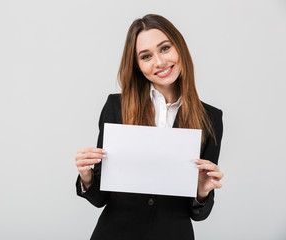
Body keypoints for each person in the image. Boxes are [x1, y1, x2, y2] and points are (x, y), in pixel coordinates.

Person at [75, 14, 224, 240]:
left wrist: (202, 192)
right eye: (146, 56)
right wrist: (87, 177)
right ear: (137, 66)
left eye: (165, 48)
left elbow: (199, 214)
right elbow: (100, 199)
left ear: (180, 48)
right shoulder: (117, 107)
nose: (159, 62)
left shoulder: (210, 118)